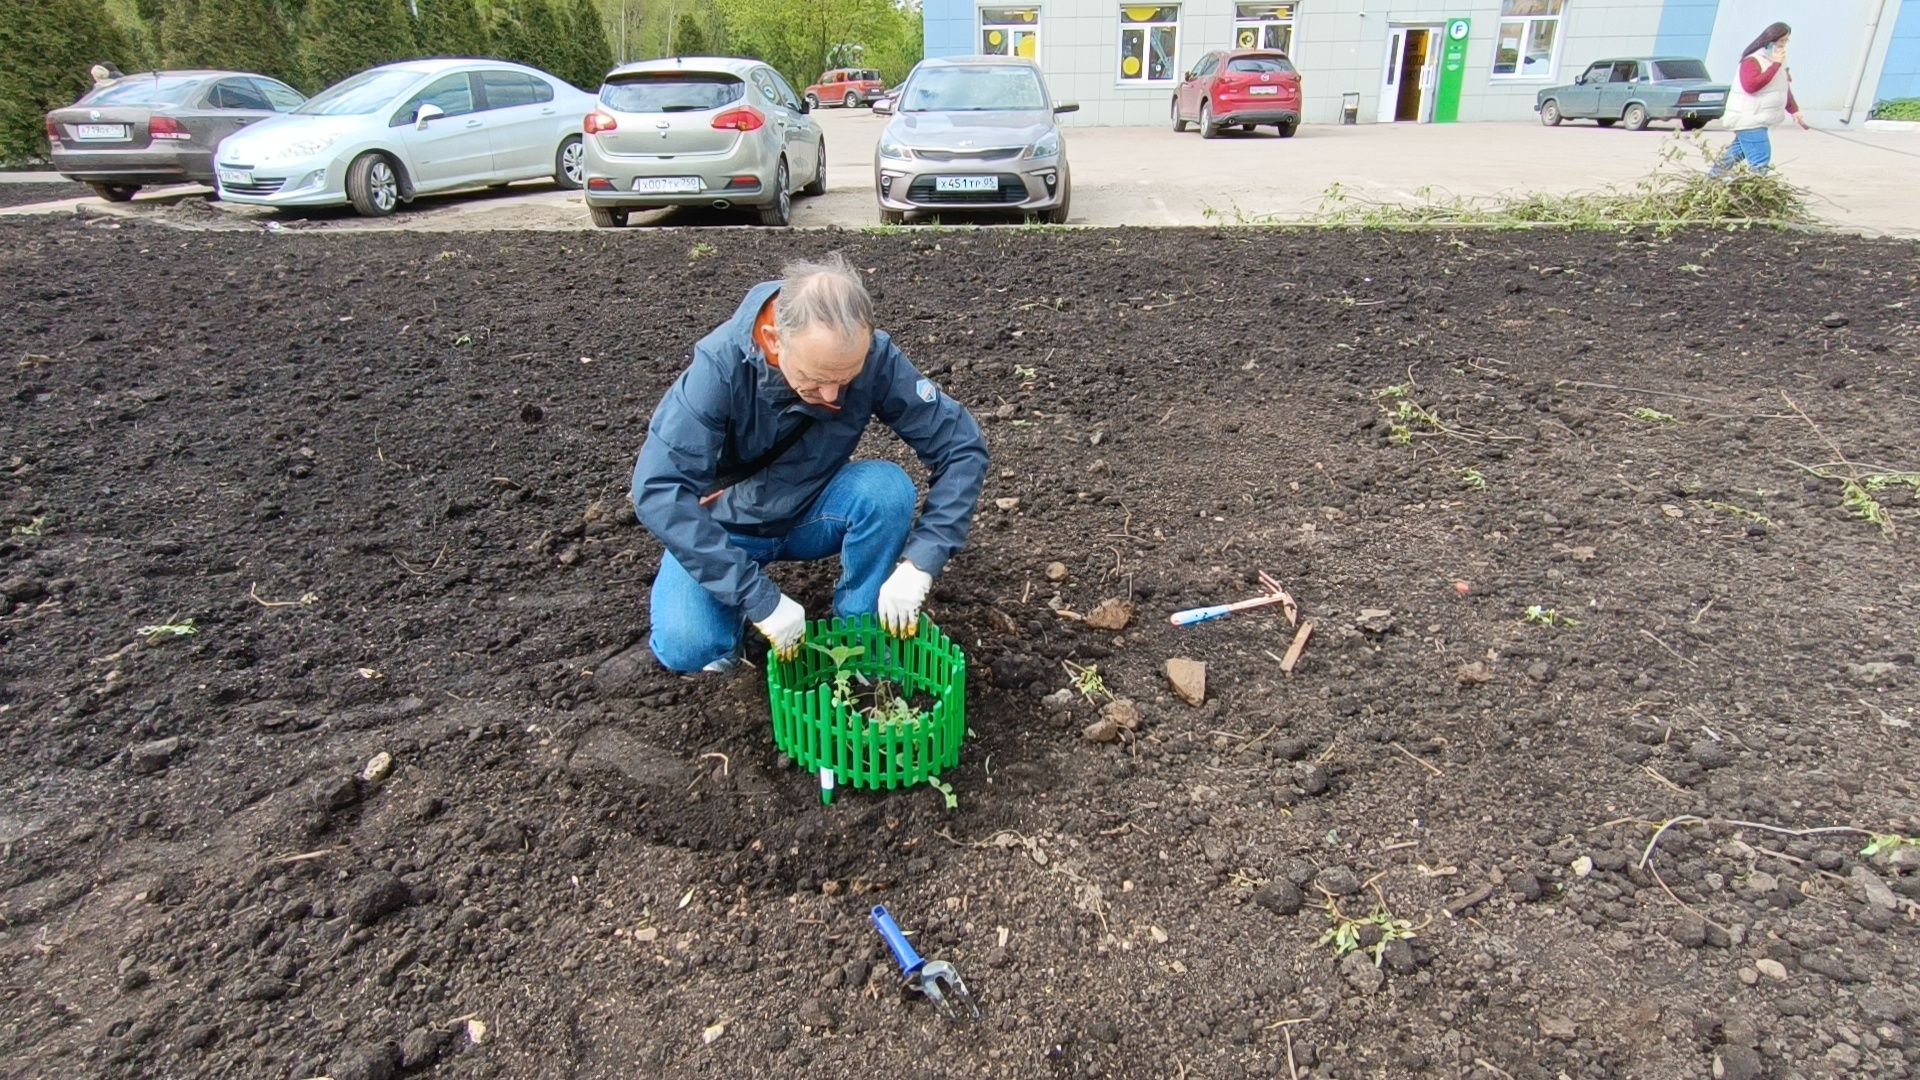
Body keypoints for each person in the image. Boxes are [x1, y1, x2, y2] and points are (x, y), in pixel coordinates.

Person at [632, 254, 989, 673]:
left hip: (812, 513)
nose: (833, 396)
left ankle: (862, 632)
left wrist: (922, 561)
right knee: (691, 649)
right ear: (774, 338)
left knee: (886, 489)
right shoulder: (719, 369)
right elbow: (659, 490)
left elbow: (961, 445)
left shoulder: (874, 358)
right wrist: (759, 598)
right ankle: (722, 617)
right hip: (728, 528)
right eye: (816, 379)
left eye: (846, 378)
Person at [1711, 22, 1809, 177]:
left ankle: (1710, 183)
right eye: (1781, 41)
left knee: (1732, 157)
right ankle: (1757, 195)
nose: (1784, 45)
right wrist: (1775, 65)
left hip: (1758, 118)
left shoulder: (1779, 62)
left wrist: (1794, 111)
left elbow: (1783, 88)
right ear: (1770, 40)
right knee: (1760, 162)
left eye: (1786, 41)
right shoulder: (1752, 60)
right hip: (1749, 118)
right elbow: (1751, 86)